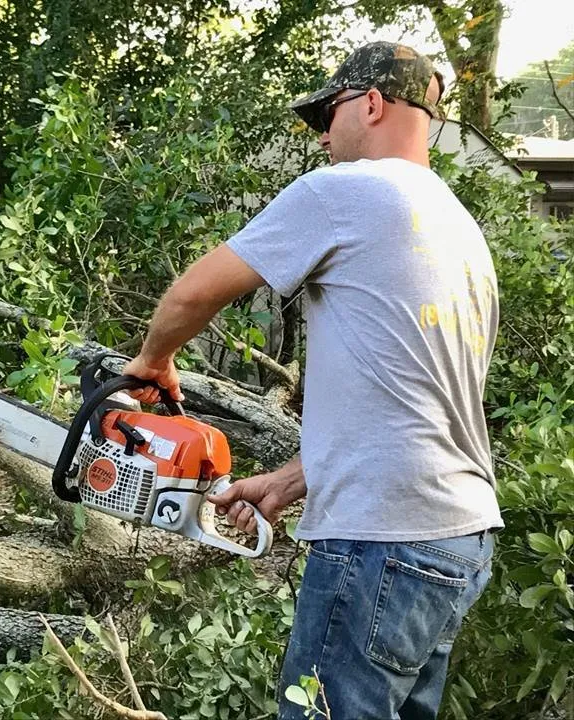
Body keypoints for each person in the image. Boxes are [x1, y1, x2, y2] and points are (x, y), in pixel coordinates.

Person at [122, 41, 503, 720]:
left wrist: (152, 361)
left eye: (329, 114)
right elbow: (412, 406)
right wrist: (297, 478)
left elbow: (191, 298)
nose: (325, 136)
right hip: (457, 541)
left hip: (381, 545)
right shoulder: (460, 230)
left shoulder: (348, 190)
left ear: (373, 103)